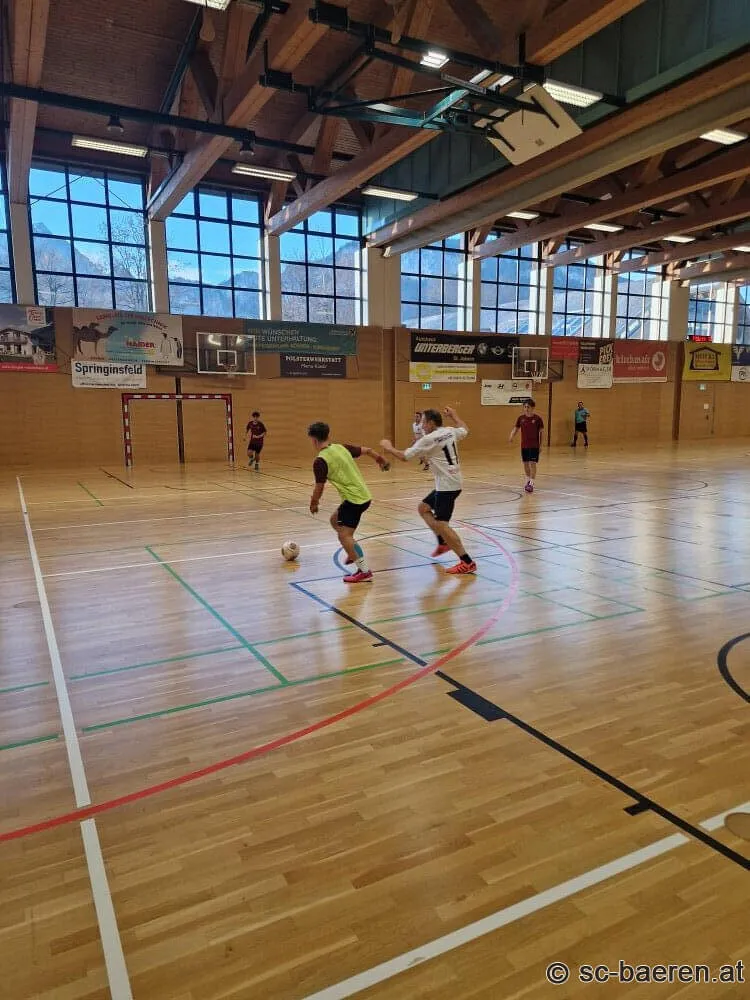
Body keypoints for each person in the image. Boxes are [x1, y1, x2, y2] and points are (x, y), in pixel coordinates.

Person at [380, 407, 476, 576]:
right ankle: (443, 543)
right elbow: (465, 429)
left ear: (431, 423)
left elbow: (404, 456)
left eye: (424, 422)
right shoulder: (449, 431)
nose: (421, 425)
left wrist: (388, 448)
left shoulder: (429, 439)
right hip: (451, 482)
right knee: (423, 508)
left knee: (442, 524)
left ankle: (467, 562)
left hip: (447, 485)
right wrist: (454, 415)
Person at [308, 421, 390, 584]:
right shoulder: (341, 447)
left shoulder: (320, 461)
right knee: (334, 520)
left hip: (354, 500)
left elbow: (319, 487)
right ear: (328, 435)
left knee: (344, 535)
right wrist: (380, 459)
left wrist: (314, 503)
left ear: (314, 440)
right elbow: (368, 450)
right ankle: (352, 552)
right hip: (363, 496)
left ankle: (364, 572)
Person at [509, 398, 544, 494]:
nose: (526, 409)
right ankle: (528, 480)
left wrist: (541, 445)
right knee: (525, 464)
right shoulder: (521, 418)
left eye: (528, 407)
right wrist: (512, 435)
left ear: (532, 408)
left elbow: (541, 433)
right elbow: (516, 428)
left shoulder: (538, 419)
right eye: (525, 407)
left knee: (532, 463)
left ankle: (531, 483)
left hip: (534, 445)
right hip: (524, 445)